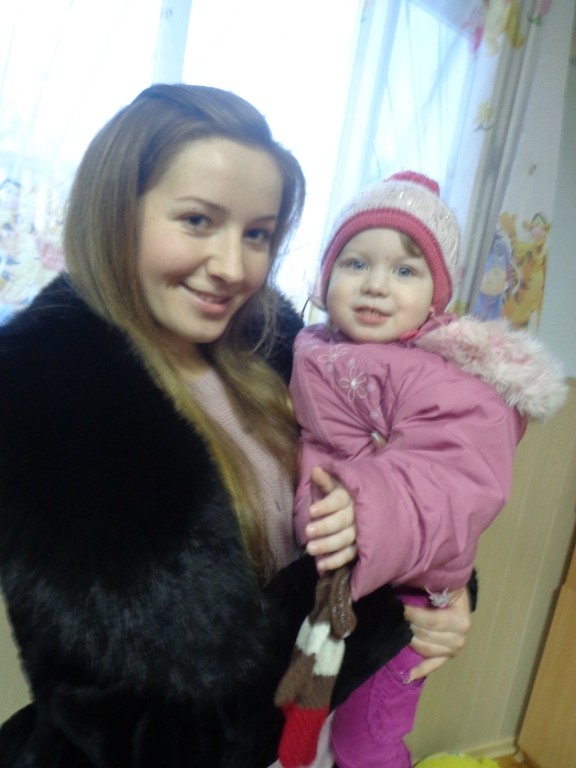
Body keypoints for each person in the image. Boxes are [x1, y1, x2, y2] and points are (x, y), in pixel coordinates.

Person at [0, 88, 472, 768]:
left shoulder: (279, 349)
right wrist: (395, 609)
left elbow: (414, 478)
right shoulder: (47, 390)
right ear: (116, 211)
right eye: (198, 220)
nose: (233, 267)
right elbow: (167, 721)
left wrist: (445, 593)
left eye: (257, 234)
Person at [276, 172, 567, 768]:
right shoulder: (314, 346)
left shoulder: (437, 374)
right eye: (356, 263)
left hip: (408, 595)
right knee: (314, 723)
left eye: (405, 270)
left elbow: (457, 476)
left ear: (437, 296)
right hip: (342, 584)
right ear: (325, 277)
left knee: (368, 738)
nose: (376, 284)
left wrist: (366, 509)